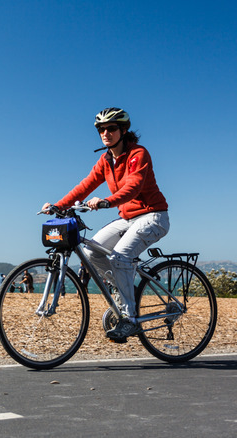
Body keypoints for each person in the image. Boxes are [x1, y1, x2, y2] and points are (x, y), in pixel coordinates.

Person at [42, 107, 169, 342]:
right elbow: (85, 186)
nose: (105, 133)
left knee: (120, 257)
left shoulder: (137, 154)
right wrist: (59, 206)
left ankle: (130, 319)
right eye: (101, 129)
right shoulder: (105, 160)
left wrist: (107, 201)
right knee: (91, 251)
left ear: (123, 130)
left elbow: (134, 185)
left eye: (111, 128)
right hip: (128, 219)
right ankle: (123, 295)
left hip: (153, 216)